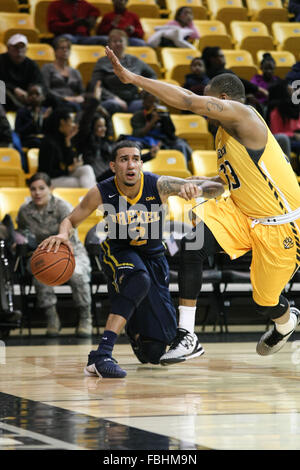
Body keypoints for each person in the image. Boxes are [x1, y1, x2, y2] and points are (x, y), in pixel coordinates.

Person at [105, 45, 300, 365]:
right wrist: (195, 186)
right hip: (242, 214)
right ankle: (188, 335)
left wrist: (132, 78)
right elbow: (227, 184)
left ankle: (286, 320)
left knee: (265, 302)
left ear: (222, 100)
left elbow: (187, 100)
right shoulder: (225, 136)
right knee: (191, 247)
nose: (205, 113)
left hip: (280, 225)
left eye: (210, 103)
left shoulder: (245, 114)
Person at [38, 140, 224, 377]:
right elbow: (71, 219)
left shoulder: (160, 184)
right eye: (124, 159)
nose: (131, 164)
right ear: (114, 166)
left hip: (154, 256)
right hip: (118, 251)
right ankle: (101, 355)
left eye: (135, 159)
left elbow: (212, 189)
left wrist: (196, 188)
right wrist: (63, 234)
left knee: (156, 351)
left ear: (141, 164)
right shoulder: (102, 191)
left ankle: (135, 332)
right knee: (139, 278)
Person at [17, 172, 93, 337]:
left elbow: (71, 231)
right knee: (41, 275)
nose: (37, 193)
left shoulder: (62, 206)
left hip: (70, 251)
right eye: (33, 189)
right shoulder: (24, 211)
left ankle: (85, 317)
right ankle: (52, 319)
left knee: (77, 275)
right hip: (42, 254)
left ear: (50, 188)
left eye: (41, 188)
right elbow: (23, 234)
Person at [90, 29, 157, 115]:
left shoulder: (135, 61)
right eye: (114, 41)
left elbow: (152, 75)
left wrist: (145, 89)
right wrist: (114, 98)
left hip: (134, 99)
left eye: (121, 41)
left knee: (149, 105)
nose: (118, 43)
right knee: (112, 105)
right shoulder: (102, 62)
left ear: (126, 44)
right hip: (112, 99)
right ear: (109, 45)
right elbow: (96, 85)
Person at [38, 108, 97, 188]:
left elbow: (70, 161)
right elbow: (47, 172)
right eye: (71, 121)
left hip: (64, 175)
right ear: (62, 122)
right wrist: (68, 169)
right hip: (49, 180)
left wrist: (68, 140)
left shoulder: (63, 139)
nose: (74, 125)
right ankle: (94, 199)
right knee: (79, 183)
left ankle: (94, 198)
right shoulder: (48, 142)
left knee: (87, 168)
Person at [130, 90, 192, 163]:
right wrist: (152, 121)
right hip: (145, 140)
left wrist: (166, 119)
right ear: (144, 103)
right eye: (150, 102)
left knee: (181, 145)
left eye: (156, 102)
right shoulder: (138, 115)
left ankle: (184, 167)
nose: (154, 105)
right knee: (135, 146)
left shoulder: (163, 114)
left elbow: (171, 133)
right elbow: (138, 134)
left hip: (162, 140)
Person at [0, 34, 44, 111]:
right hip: (5, 97)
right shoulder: (1, 60)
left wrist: (33, 92)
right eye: (15, 47)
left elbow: (39, 82)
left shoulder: (31, 64)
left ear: (26, 49)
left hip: (26, 97)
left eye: (22, 47)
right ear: (8, 48)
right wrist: (14, 89)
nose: (19, 50)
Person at [41, 36, 85, 112]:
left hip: (73, 102)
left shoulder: (75, 72)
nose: (65, 50)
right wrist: (64, 98)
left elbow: (83, 92)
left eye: (68, 48)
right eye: (62, 48)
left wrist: (80, 97)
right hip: (55, 103)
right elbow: (46, 90)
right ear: (55, 51)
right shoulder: (47, 68)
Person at [15, 84, 52, 149]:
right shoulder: (22, 112)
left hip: (42, 139)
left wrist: (45, 120)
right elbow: (19, 132)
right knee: (38, 142)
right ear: (27, 96)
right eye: (31, 94)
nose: (34, 96)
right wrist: (36, 120)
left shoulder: (46, 111)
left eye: (37, 94)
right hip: (28, 140)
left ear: (43, 97)